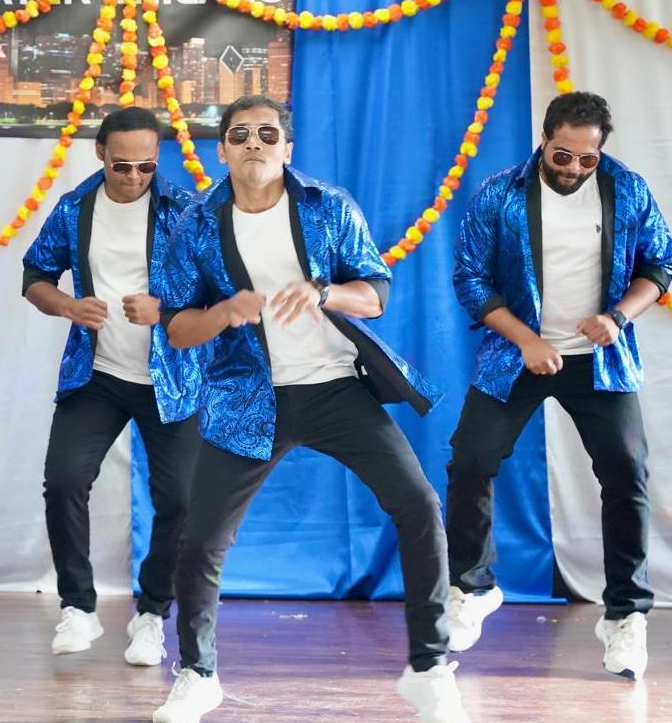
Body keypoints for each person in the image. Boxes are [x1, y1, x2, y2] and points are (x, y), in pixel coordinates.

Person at [153, 96, 467, 723]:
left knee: (418, 505)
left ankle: (429, 668)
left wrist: (323, 292)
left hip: (335, 390)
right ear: (222, 150)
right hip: (248, 397)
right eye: (240, 134)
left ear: (287, 147)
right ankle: (197, 674)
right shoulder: (197, 223)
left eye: (267, 134)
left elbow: (374, 296)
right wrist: (223, 312)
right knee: (202, 538)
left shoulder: (328, 206)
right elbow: (178, 329)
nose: (254, 143)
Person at [445, 91, 670, 680]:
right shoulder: (499, 193)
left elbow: (659, 265)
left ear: (601, 151)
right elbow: (470, 280)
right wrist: (527, 340)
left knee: (627, 472)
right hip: (515, 355)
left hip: (600, 359)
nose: (573, 168)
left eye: (586, 159)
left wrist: (617, 317)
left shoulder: (627, 190)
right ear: (544, 140)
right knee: (470, 460)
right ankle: (472, 588)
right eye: (562, 155)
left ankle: (625, 614)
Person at [21, 106, 201, 664]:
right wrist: (68, 306)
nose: (134, 177)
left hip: (171, 380)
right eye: (122, 165)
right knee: (64, 480)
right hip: (96, 374)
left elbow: (218, 290)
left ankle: (152, 614)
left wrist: (163, 309)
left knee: (181, 500)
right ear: (100, 153)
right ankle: (78, 607)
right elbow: (35, 276)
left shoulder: (184, 210)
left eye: (146, 166)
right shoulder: (75, 208)